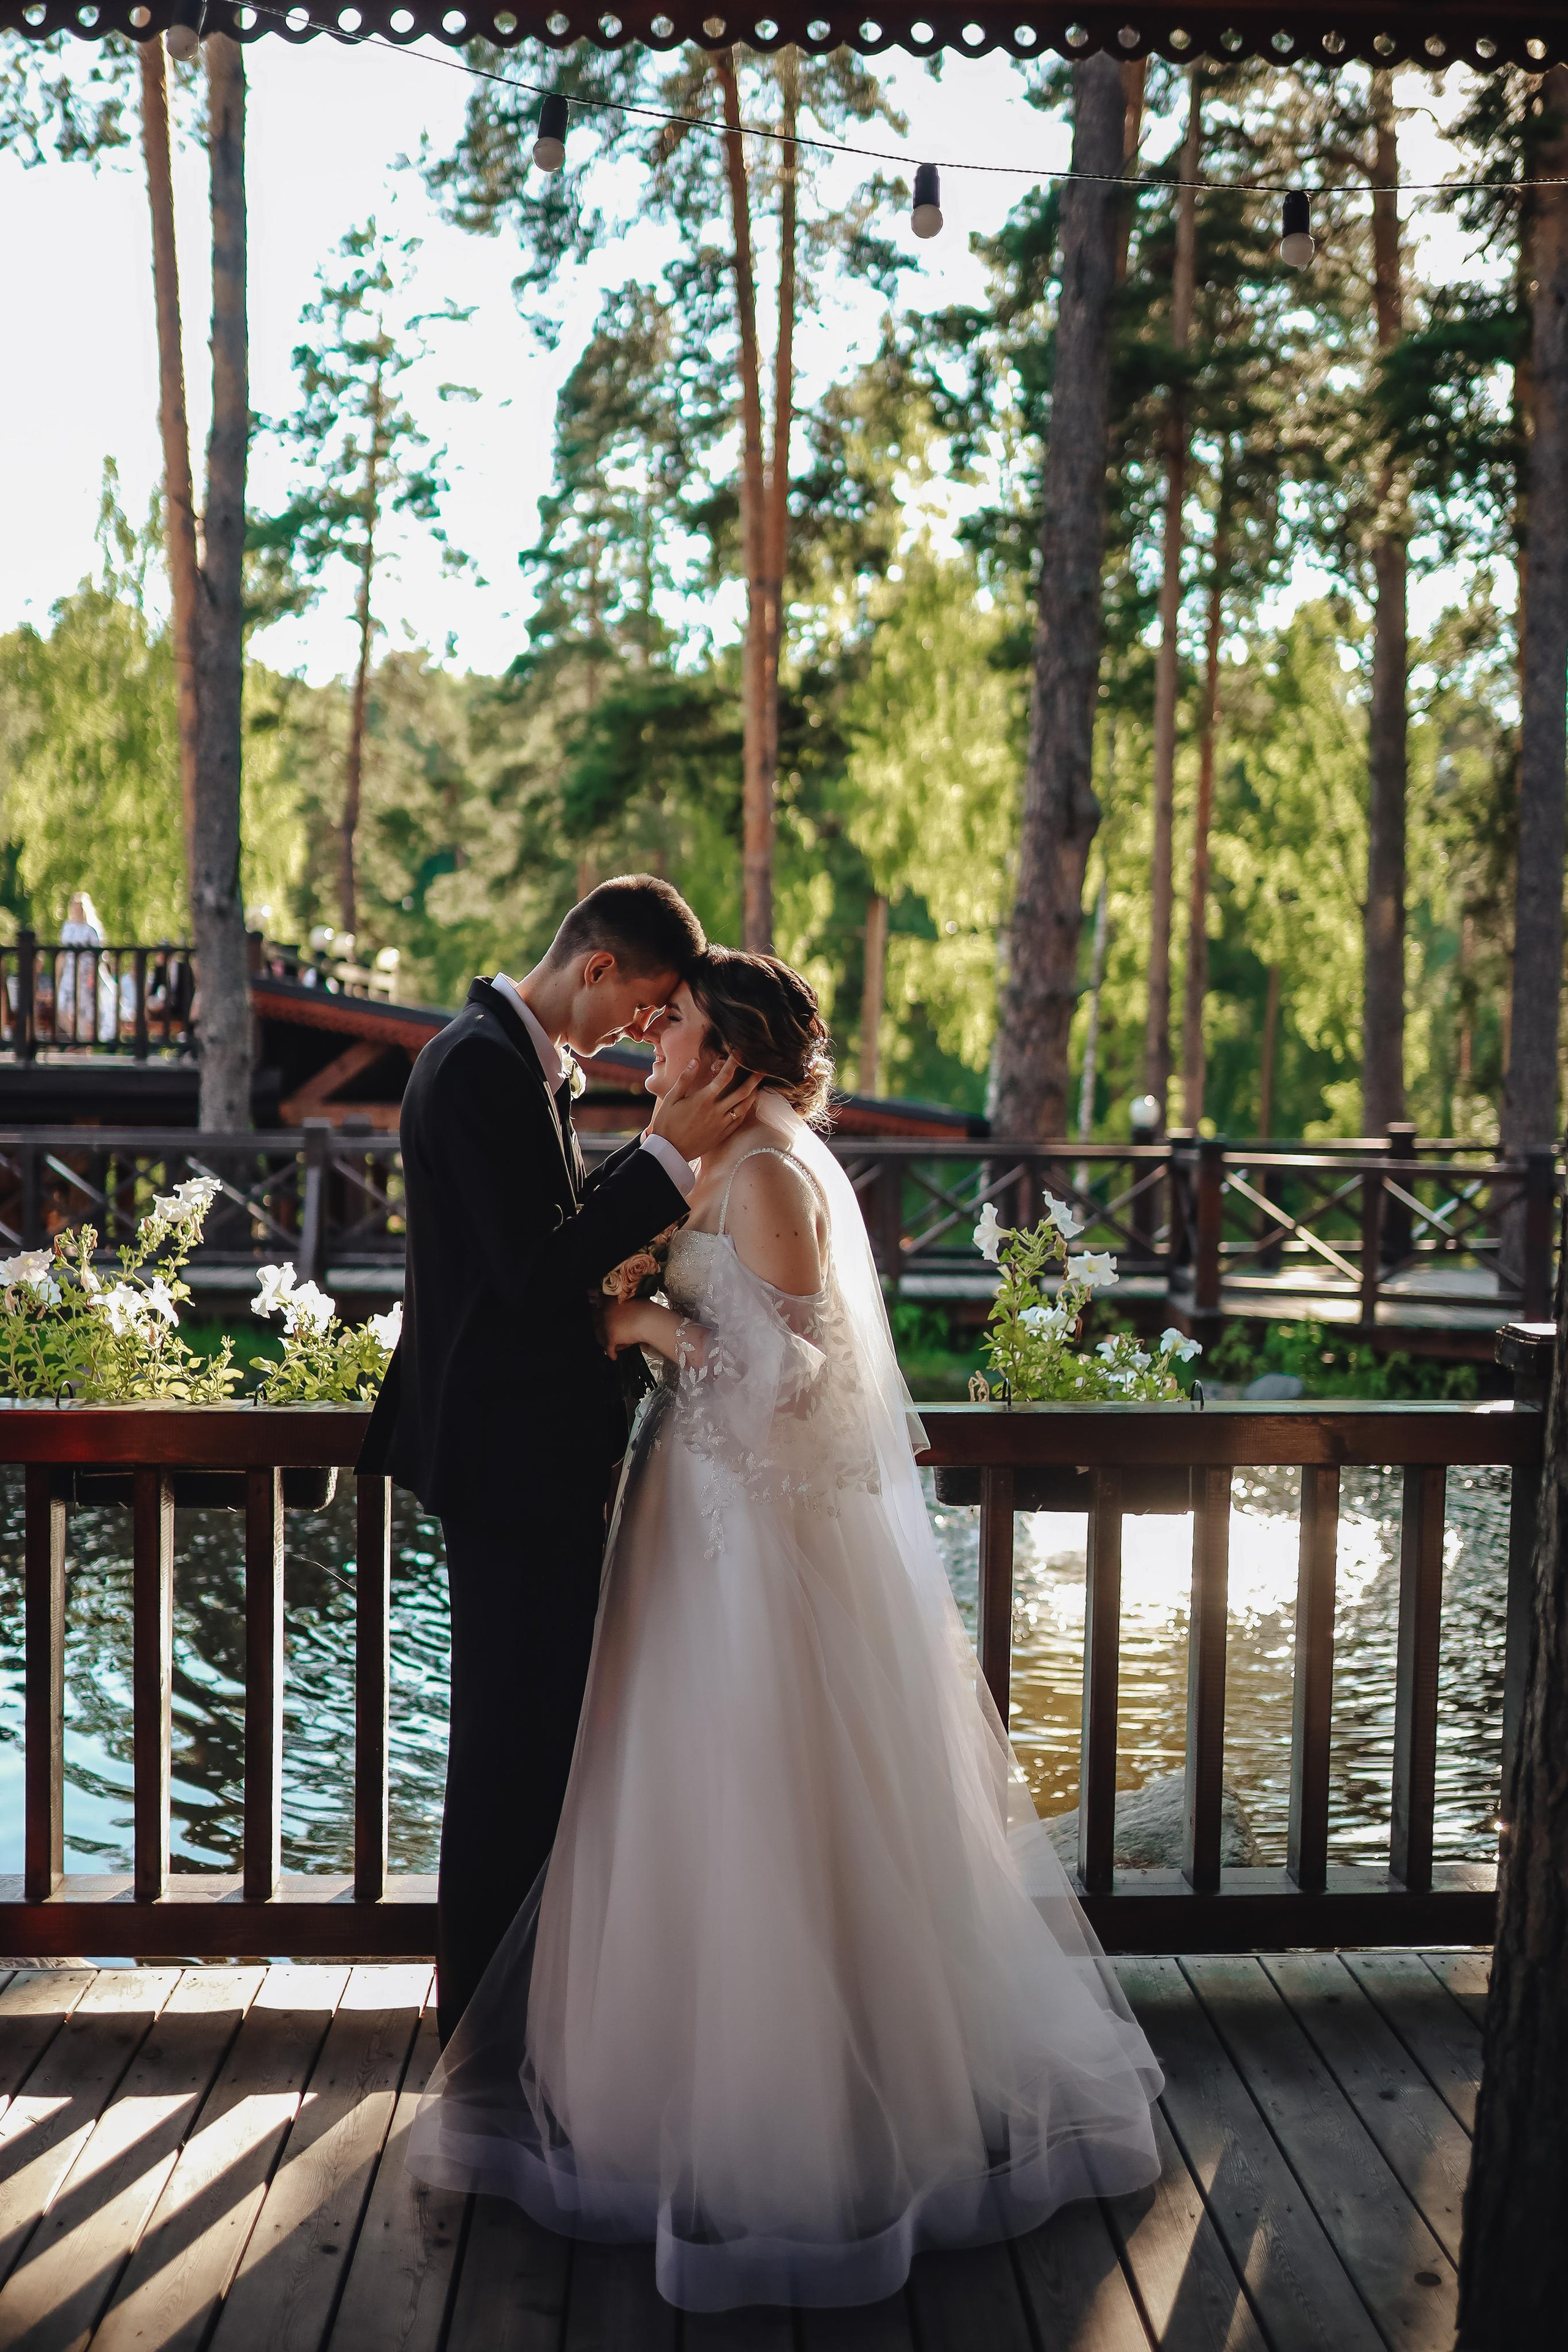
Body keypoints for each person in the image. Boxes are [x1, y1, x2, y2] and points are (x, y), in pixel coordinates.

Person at [407, 946, 1163, 2312]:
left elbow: (797, 1379)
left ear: (734, 1057)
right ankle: (648, 2082)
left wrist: (646, 1321)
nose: (652, 1042)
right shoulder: (715, 1154)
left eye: (677, 1024)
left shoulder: (767, 1176)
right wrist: (643, 1287)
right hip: (687, 1520)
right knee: (661, 1802)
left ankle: (791, 2115)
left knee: (752, 1798)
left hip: (741, 1539)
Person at [358, 878, 760, 2041]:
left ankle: (515, 2018)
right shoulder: (481, 1065)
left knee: (531, 1750)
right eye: (643, 1006)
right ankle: (484, 2033)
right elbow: (535, 1279)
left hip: (515, 1463)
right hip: (508, 1471)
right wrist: (666, 1159)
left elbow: (530, 1249)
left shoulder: (500, 1058)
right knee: (506, 1760)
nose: (642, 1032)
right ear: (596, 968)